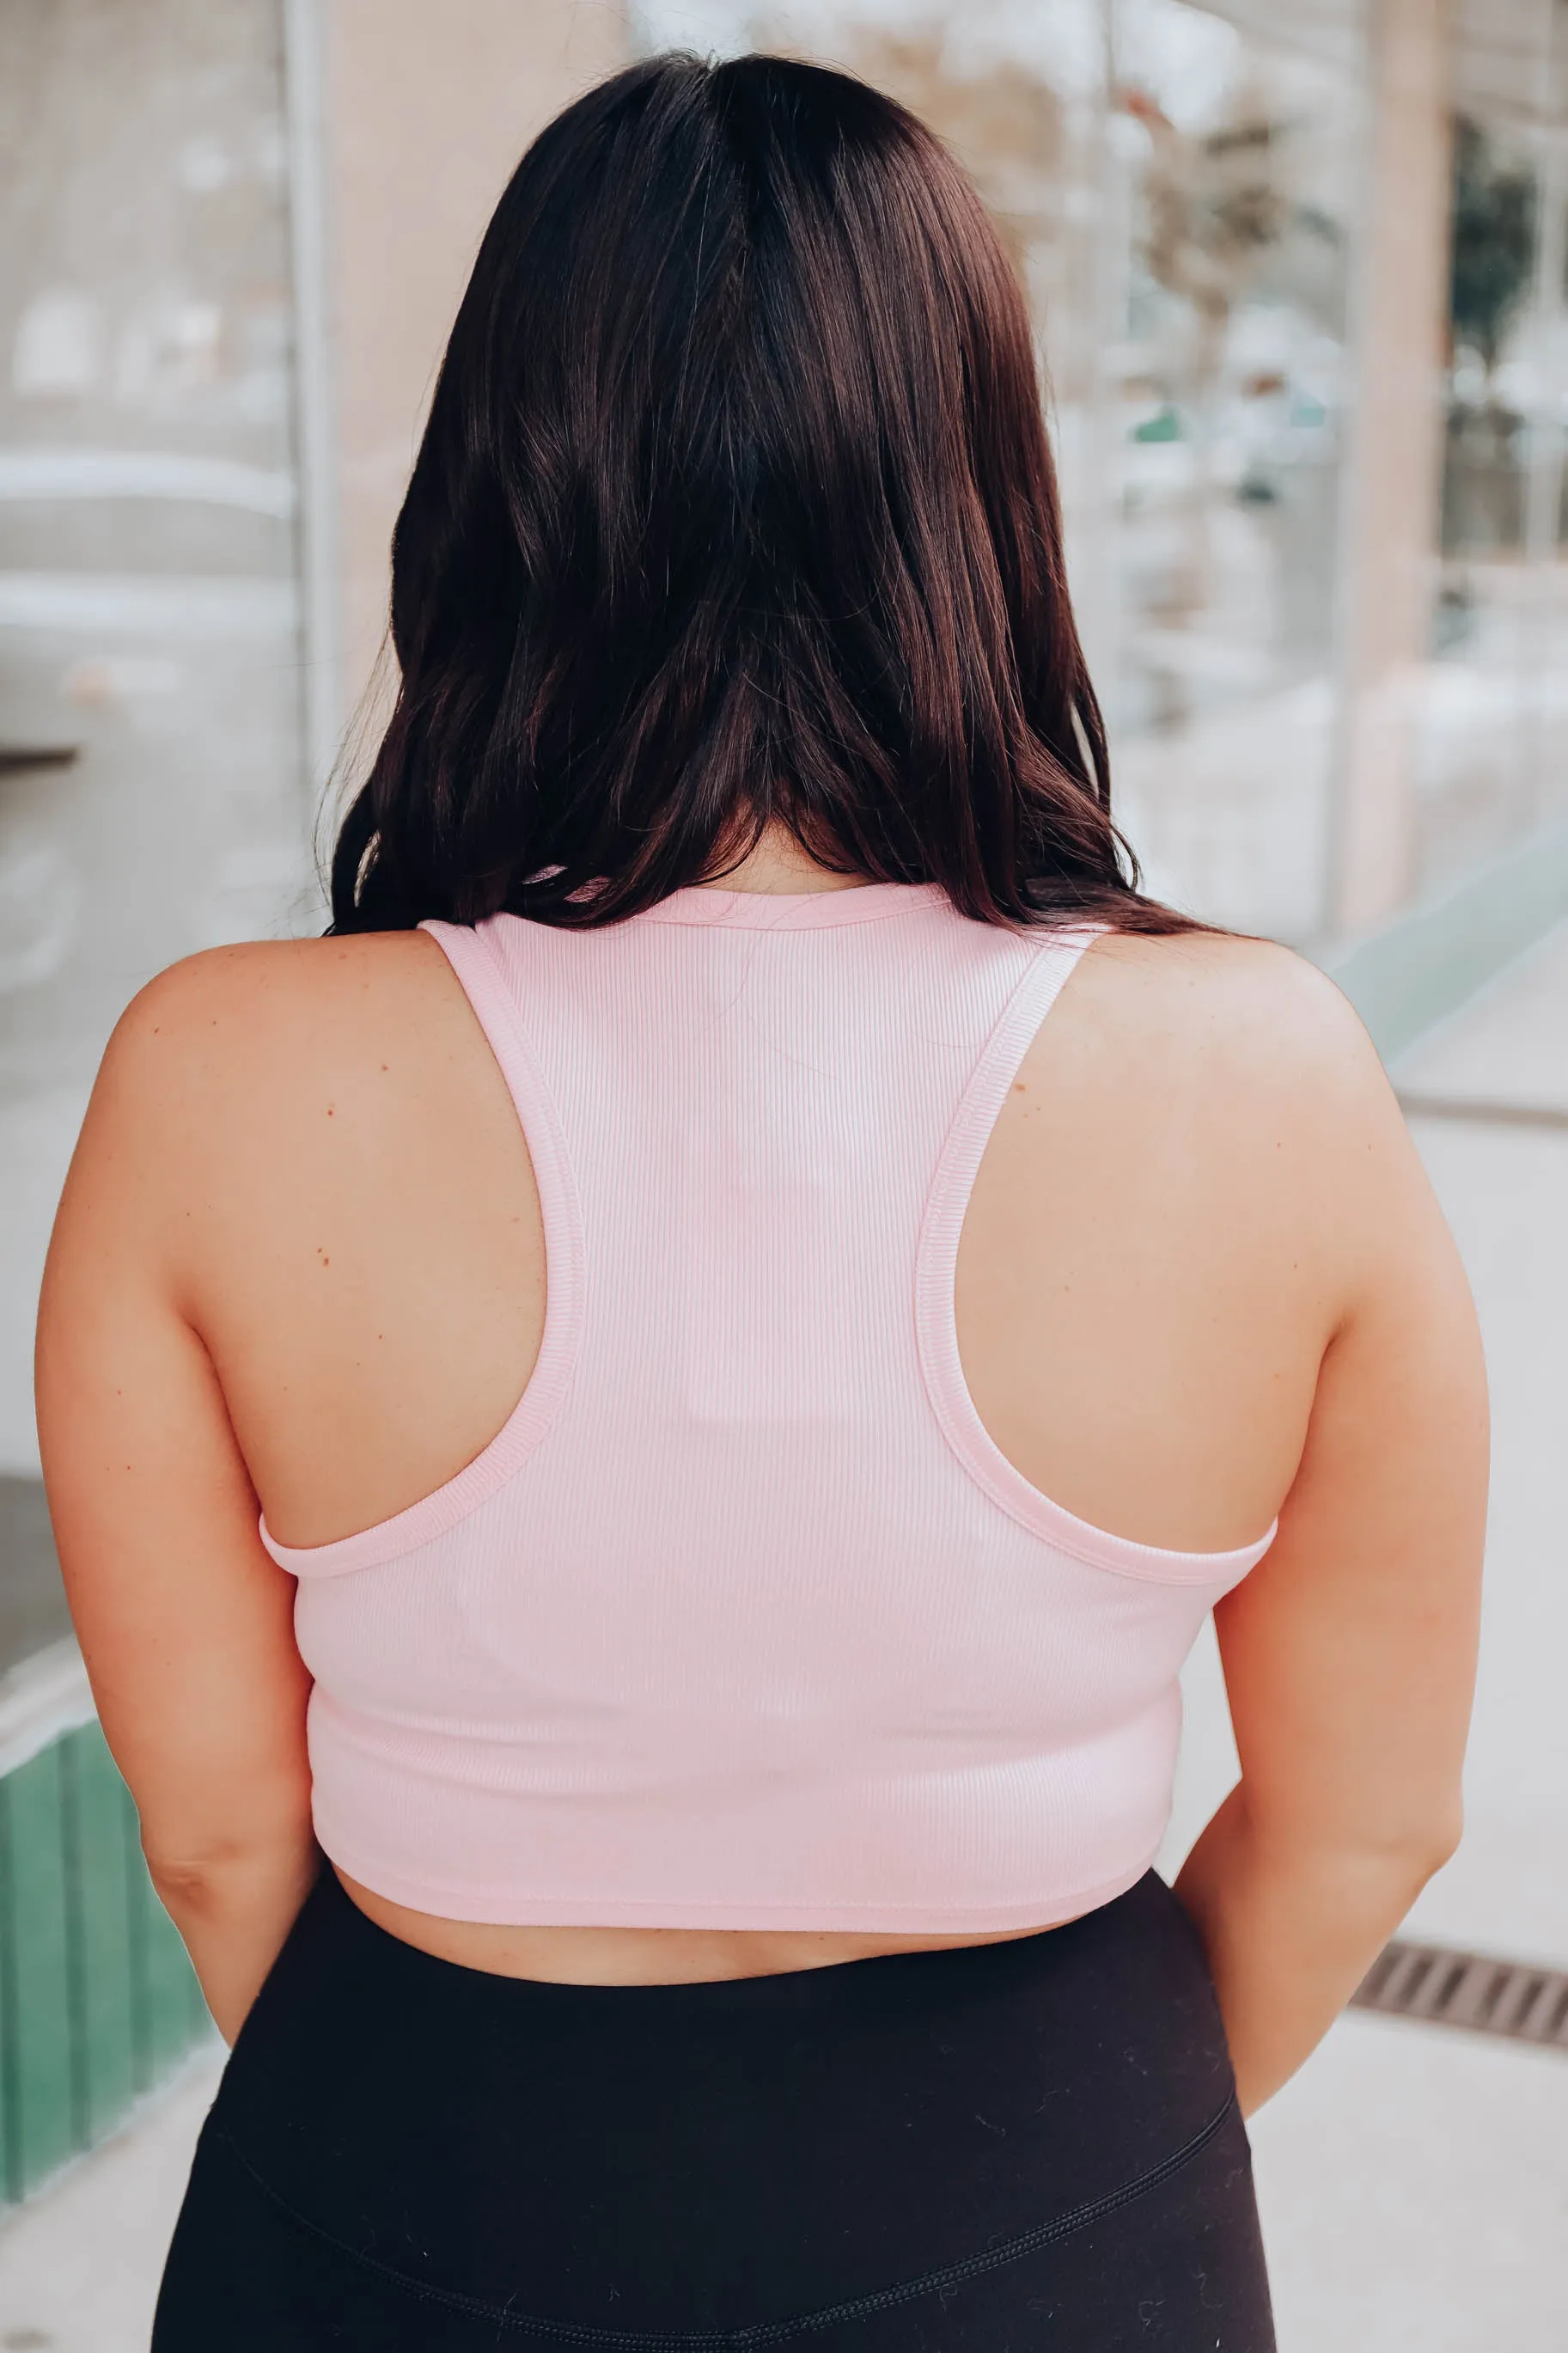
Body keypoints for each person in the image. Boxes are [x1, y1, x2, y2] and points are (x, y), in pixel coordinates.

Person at [36, 52, 1486, 2353]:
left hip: (408, 2172)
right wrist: (1058, 2178)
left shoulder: (219, 1078)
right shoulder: (1264, 1074)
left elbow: (219, 1843)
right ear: (980, 489)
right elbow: (1364, 1833)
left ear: (491, 487)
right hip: (1063, 2188)